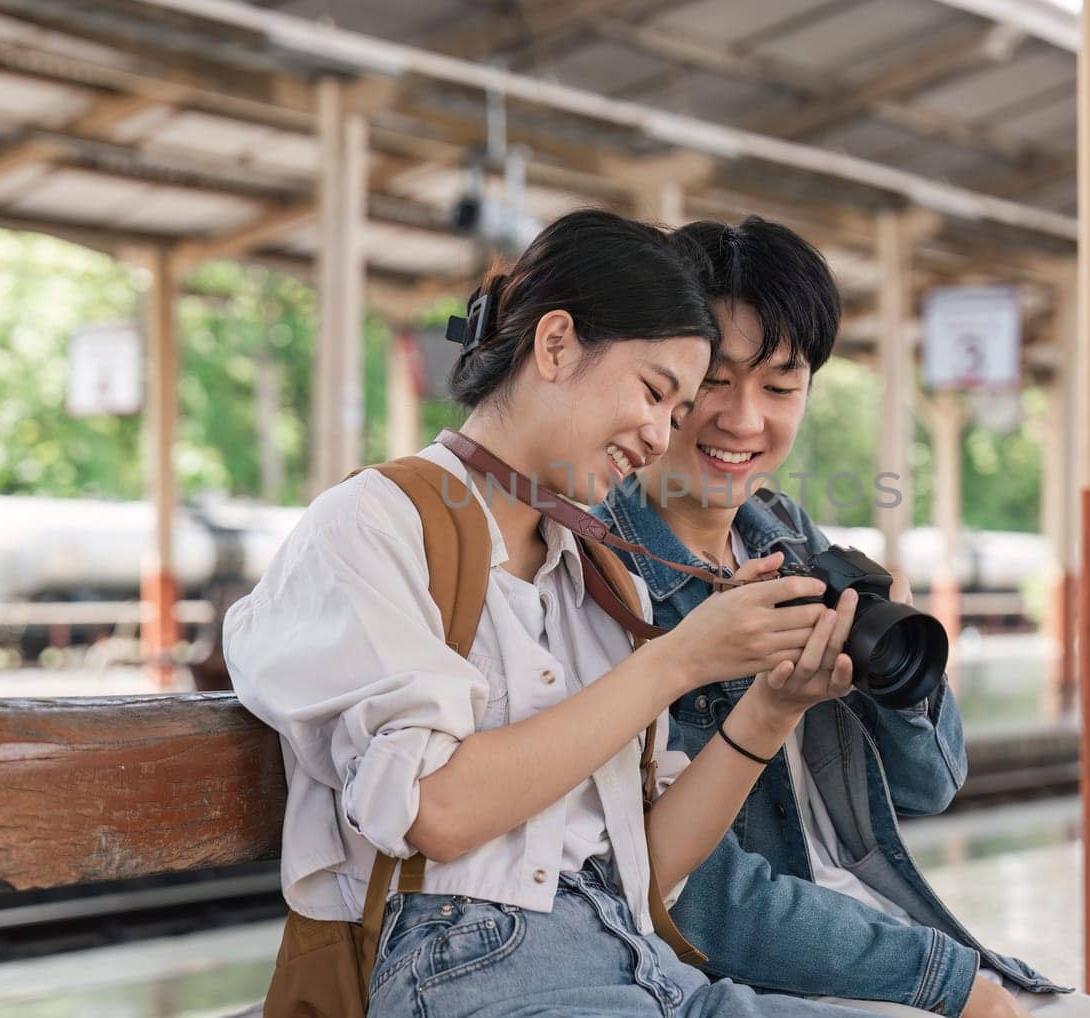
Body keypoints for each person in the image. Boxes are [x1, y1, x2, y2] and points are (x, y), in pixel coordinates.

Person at [224, 209, 887, 1017]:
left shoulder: (603, 579)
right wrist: (676, 661)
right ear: (556, 344)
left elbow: (653, 866)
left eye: (676, 414)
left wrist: (772, 704)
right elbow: (439, 812)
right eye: (653, 392)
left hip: (634, 961)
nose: (657, 435)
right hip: (468, 970)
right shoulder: (373, 523)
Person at [594, 216, 1090, 1018]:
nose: (745, 421)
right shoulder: (603, 579)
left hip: (873, 936)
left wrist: (891, 670)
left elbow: (932, 782)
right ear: (659, 376)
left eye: (780, 386)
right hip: (731, 978)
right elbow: (700, 899)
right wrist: (957, 987)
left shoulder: (785, 534)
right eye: (715, 380)